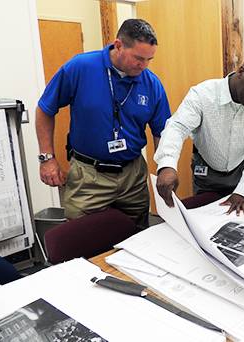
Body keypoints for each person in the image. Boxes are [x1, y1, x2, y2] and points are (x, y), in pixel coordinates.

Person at [36, 19, 171, 227]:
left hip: (132, 176)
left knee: (138, 236)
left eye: (149, 60)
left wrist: (165, 168)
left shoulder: (151, 83)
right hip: (89, 176)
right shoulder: (81, 68)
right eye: (138, 58)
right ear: (118, 45)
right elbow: (45, 109)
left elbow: (162, 132)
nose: (143, 66)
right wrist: (47, 158)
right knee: (82, 241)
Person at [155, 53, 244, 215]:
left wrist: (243, 190)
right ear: (241, 71)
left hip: (241, 173)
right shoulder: (203, 94)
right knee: (204, 219)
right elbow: (177, 127)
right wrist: (167, 164)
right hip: (206, 174)